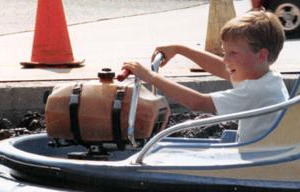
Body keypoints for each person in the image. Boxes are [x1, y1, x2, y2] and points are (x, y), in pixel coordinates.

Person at [121, 10, 288, 144]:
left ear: (261, 55)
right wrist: (180, 49)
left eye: (233, 53)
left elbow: (199, 103)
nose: (225, 59)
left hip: (256, 159)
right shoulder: (266, 77)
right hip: (260, 148)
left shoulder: (255, 91)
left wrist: (150, 76)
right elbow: (223, 68)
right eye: (225, 53)